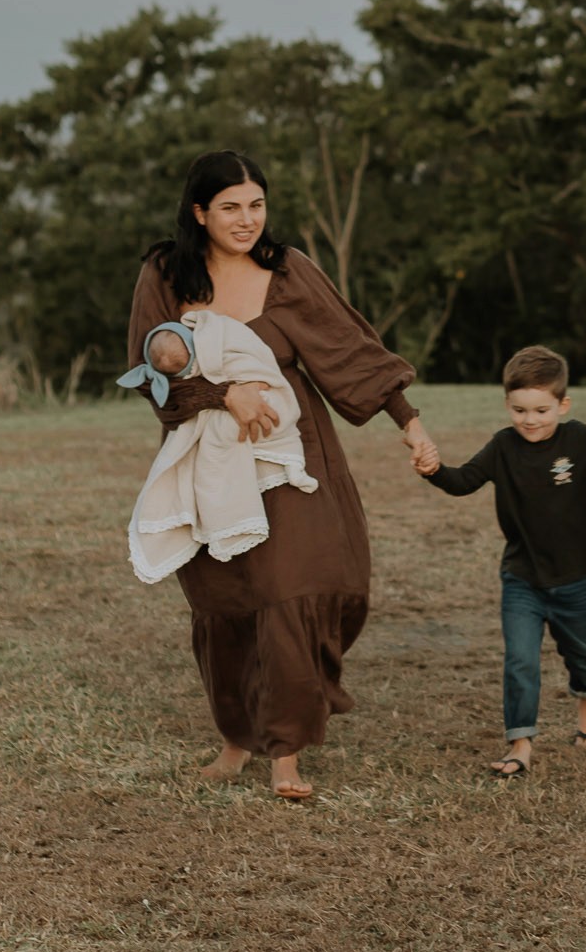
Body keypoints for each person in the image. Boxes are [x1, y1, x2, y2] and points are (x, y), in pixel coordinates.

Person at [127, 149, 438, 801]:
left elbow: (353, 351)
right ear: (199, 212)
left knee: (298, 588)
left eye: (257, 205)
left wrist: (408, 422)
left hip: (292, 452)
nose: (247, 220)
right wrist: (222, 394)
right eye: (231, 208)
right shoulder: (165, 275)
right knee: (227, 599)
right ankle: (238, 738)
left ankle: (286, 753)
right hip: (208, 459)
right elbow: (154, 374)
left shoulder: (289, 269)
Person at [412, 345, 586, 778]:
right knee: (520, 660)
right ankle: (520, 743)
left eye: (542, 410)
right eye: (520, 410)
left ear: (562, 405)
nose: (530, 420)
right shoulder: (502, 446)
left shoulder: (580, 440)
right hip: (522, 578)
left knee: (581, 653)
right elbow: (462, 482)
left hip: (575, 577)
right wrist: (433, 469)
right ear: (507, 404)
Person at [118, 312, 317, 584]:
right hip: (228, 413)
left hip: (255, 397)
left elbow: (247, 356)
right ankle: (269, 479)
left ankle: (286, 464)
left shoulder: (217, 336)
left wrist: (246, 381)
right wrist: (223, 393)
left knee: (229, 436)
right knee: (220, 440)